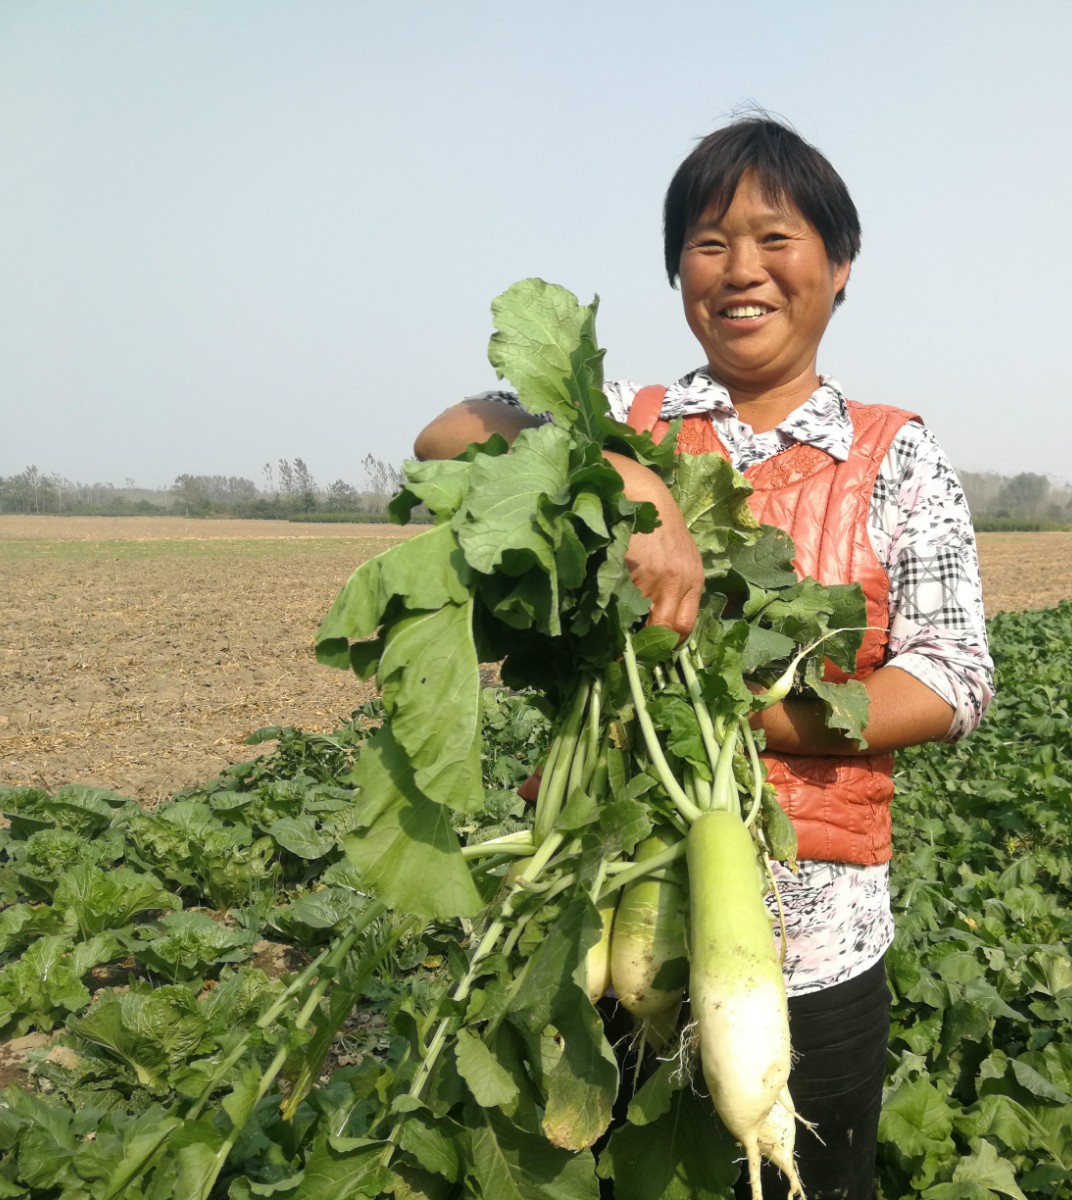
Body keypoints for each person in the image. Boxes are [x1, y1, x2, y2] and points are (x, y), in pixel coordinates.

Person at [414, 116, 993, 1200]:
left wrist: (753, 716)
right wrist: (622, 481)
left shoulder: (895, 454)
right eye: (708, 241)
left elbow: (954, 676)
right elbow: (449, 433)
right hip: (599, 916)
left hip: (813, 946)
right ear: (678, 266)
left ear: (838, 266)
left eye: (776, 239)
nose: (741, 270)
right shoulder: (624, 423)